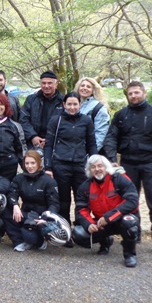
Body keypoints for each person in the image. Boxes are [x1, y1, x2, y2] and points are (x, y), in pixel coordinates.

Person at [103, 81, 152, 256]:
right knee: (129, 202)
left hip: (151, 163)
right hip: (128, 164)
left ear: (144, 93)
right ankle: (133, 233)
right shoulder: (121, 115)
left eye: (136, 92)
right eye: (130, 93)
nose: (133, 96)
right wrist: (112, 159)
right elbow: (111, 138)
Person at [73, 155, 140, 268]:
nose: (97, 169)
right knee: (78, 234)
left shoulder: (119, 179)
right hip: (101, 223)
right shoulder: (85, 186)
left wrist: (109, 217)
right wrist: (89, 224)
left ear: (106, 167)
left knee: (129, 224)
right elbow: (81, 210)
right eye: (93, 167)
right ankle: (105, 241)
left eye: (100, 166)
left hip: (121, 219)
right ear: (89, 170)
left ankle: (130, 255)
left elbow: (132, 201)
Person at [43, 92, 97, 225]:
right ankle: (64, 225)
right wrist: (48, 167)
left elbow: (91, 144)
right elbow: (48, 145)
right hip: (61, 165)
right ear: (64, 104)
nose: (72, 107)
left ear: (80, 104)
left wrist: (94, 163)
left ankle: (81, 225)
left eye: (75, 104)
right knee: (63, 199)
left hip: (80, 164)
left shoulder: (86, 120)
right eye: (69, 104)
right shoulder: (56, 120)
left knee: (82, 198)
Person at [3, 150, 60, 251]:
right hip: (25, 214)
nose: (30, 166)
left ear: (38, 163)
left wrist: (46, 219)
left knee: (30, 238)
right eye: (27, 163)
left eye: (33, 163)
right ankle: (19, 241)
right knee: (5, 209)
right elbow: (12, 194)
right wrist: (15, 205)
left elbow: (54, 204)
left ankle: (40, 241)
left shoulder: (49, 181)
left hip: (40, 217)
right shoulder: (19, 179)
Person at [19, 70, 64, 150]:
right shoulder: (31, 100)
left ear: (56, 84)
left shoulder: (63, 101)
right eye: (43, 83)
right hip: (33, 143)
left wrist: (50, 139)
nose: (46, 86)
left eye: (49, 83)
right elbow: (23, 120)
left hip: (56, 144)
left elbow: (66, 124)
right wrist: (33, 136)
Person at [74, 77, 110, 153]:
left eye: (88, 86)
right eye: (82, 85)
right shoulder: (72, 105)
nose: (85, 88)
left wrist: (91, 154)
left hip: (88, 152)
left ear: (93, 90)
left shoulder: (99, 108)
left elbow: (101, 134)